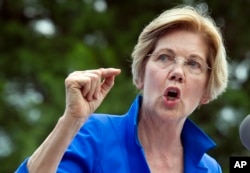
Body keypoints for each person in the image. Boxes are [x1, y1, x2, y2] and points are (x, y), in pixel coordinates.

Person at [16, 5, 228, 173]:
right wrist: (70, 121)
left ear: (207, 92)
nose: (177, 72)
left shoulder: (210, 168)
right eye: (164, 57)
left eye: (193, 64)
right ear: (141, 76)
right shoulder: (93, 135)